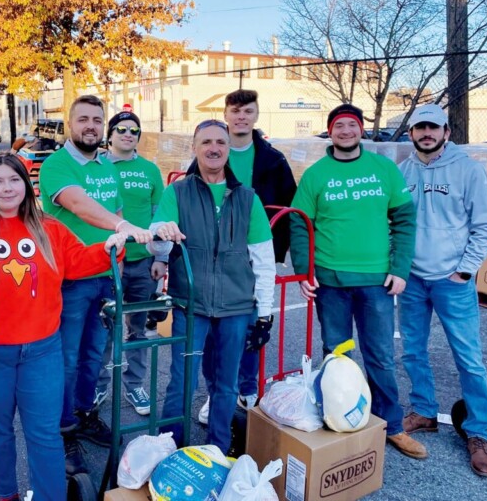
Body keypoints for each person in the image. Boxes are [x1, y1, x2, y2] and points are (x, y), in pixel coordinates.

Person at [0, 152, 127, 501]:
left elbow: (78, 261)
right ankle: (7, 495)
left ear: (26, 185)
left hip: (42, 350)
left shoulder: (48, 227)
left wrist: (112, 246)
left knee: (44, 433)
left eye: (14, 180)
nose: (6, 188)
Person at [290, 103, 427, 460]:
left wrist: (400, 268)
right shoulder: (316, 174)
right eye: (339, 126)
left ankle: (392, 426)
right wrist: (307, 271)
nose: (346, 131)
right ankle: (338, 422)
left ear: (361, 130)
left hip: (376, 282)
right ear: (330, 131)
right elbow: (300, 225)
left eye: (352, 125)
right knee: (337, 356)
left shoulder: (384, 169)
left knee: (380, 355)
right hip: (331, 281)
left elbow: (404, 221)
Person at [38, 94, 151, 475]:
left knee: (94, 355)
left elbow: (116, 210)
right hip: (70, 280)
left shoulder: (106, 166)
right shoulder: (56, 165)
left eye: (96, 120)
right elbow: (79, 205)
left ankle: (85, 414)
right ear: (70, 124)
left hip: (105, 277)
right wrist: (121, 227)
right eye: (83, 119)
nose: (91, 126)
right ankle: (63, 428)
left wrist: (118, 255)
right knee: (67, 359)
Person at [150, 119, 276, 454]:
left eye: (220, 142)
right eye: (206, 142)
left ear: (228, 149)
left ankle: (217, 450)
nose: (214, 148)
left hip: (236, 307)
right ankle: (168, 449)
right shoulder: (176, 192)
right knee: (182, 382)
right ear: (195, 147)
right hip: (191, 305)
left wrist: (265, 315)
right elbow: (156, 246)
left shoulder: (248, 198)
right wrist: (162, 233)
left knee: (226, 383)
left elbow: (263, 260)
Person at [398, 104, 487, 476]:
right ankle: (424, 411)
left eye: (433, 127)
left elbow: (485, 226)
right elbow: (395, 222)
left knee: (468, 358)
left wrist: (464, 271)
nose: (426, 133)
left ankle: (477, 432)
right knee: (412, 350)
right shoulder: (402, 172)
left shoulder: (467, 170)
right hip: (412, 280)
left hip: (451, 281)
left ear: (446, 132)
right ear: (411, 133)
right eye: (420, 127)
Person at [197, 89, 297, 424]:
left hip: (252, 256)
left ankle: (246, 390)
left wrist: (278, 252)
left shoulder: (272, 160)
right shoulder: (209, 153)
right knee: (215, 331)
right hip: (213, 260)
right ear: (226, 114)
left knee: (252, 325)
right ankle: (215, 394)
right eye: (235, 111)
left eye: (248, 111)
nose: (241, 117)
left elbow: (288, 205)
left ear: (256, 115)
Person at [94, 111, 166, 416]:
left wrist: (161, 257)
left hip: (142, 263)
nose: (128, 134)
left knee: (137, 329)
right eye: (121, 129)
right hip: (104, 262)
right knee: (104, 328)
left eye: (134, 130)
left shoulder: (150, 170)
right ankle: (98, 384)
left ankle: (134, 383)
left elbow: (160, 215)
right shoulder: (97, 168)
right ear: (109, 135)